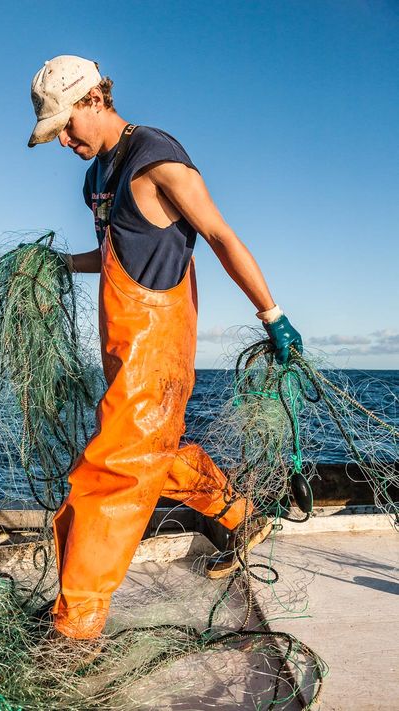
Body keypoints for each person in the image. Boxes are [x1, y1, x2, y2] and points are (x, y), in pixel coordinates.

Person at [27, 55, 303, 643]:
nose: (63, 141)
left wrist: (272, 314)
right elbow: (112, 257)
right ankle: (238, 513)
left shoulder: (157, 157)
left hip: (159, 347)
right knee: (152, 451)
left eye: (65, 127)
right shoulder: (95, 178)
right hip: (121, 346)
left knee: (110, 473)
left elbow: (221, 235)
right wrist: (54, 267)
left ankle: (75, 630)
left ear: (94, 100)